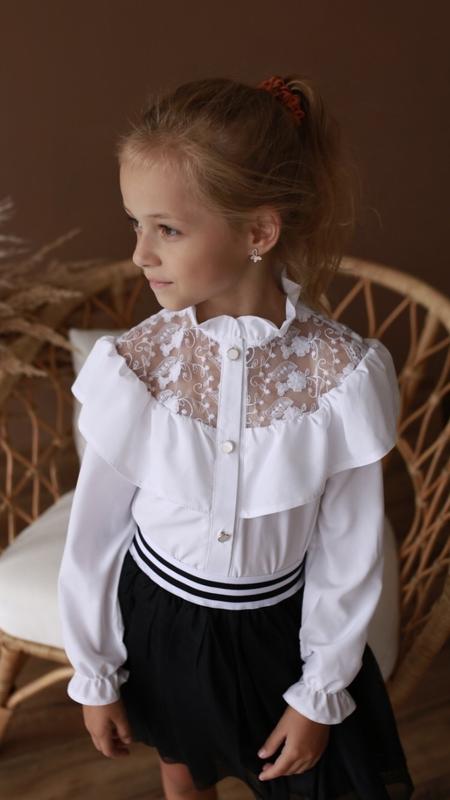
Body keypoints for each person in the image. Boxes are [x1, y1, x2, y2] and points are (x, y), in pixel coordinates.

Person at [57, 75, 415, 800]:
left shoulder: (340, 377)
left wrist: (319, 692)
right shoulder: (138, 367)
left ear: (258, 233)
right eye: (135, 224)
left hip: (278, 638)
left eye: (167, 229)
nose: (140, 254)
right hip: (159, 625)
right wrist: (94, 672)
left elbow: (350, 548)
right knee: (184, 775)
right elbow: (93, 535)